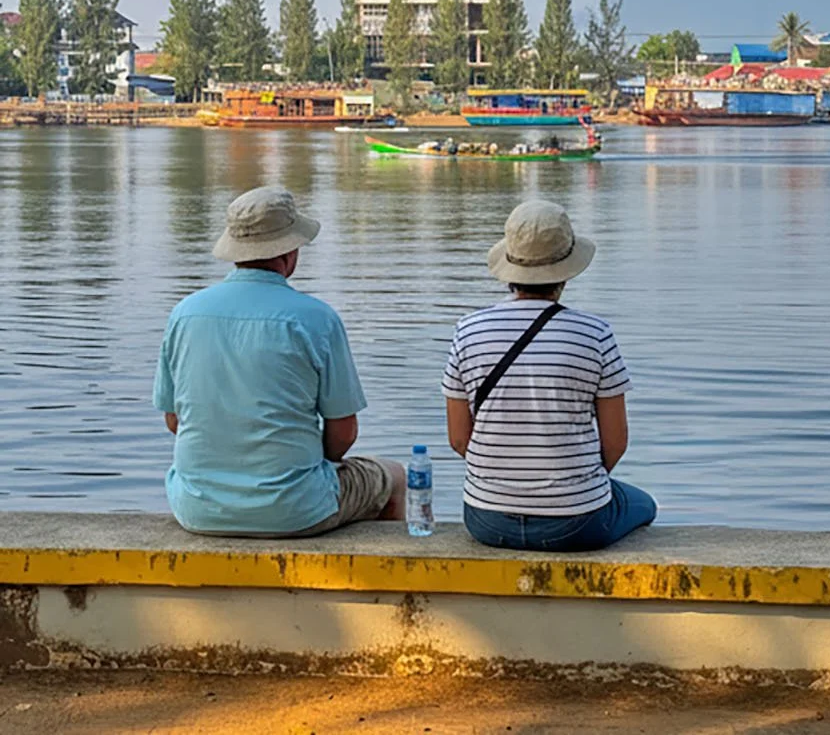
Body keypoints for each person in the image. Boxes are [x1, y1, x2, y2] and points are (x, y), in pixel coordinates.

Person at [153, 186, 404, 537]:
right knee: (393, 476)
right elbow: (343, 434)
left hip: (197, 508)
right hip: (296, 510)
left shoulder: (184, 314)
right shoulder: (316, 318)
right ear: (289, 250)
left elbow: (174, 420)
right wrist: (317, 463)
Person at [444, 199, 656, 550]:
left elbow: (458, 440)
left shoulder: (468, 331)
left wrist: (509, 482)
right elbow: (615, 443)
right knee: (644, 504)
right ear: (567, 271)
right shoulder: (595, 334)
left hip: (485, 519)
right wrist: (568, 488)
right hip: (577, 523)